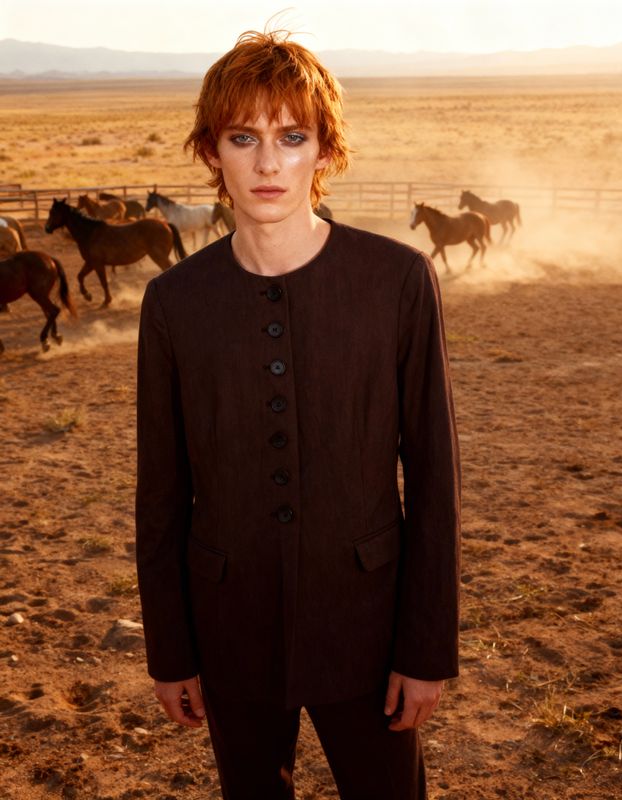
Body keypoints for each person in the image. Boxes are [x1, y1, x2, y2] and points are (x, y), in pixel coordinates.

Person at [135, 28, 461, 800]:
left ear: (325, 150)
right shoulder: (173, 302)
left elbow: (435, 479)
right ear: (211, 151)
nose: (268, 164)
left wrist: (425, 650)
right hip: (229, 625)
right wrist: (171, 652)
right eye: (243, 138)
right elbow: (161, 492)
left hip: (367, 624)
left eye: (292, 137)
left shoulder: (398, 281)